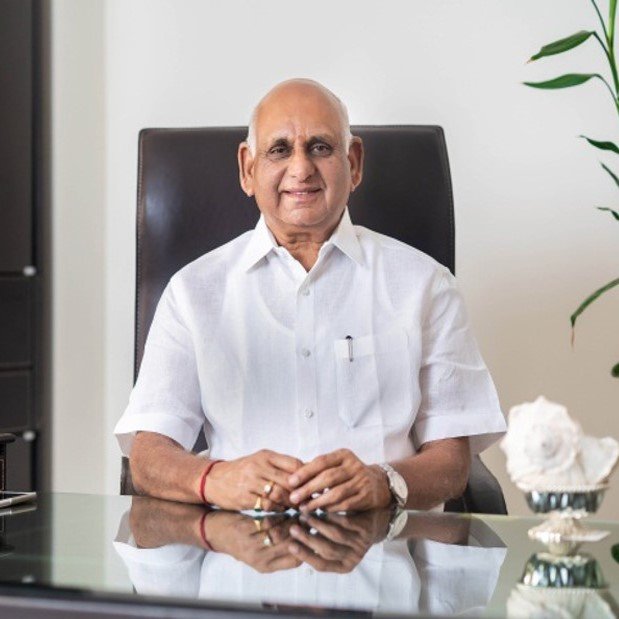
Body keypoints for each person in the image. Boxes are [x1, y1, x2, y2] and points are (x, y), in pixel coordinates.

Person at [114, 78, 506, 513]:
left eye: (320, 147)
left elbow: (452, 461)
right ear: (247, 169)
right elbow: (148, 455)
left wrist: (384, 482)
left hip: (381, 544)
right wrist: (214, 479)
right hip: (236, 546)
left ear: (353, 162)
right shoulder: (193, 291)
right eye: (279, 150)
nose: (301, 169)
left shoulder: (425, 285)